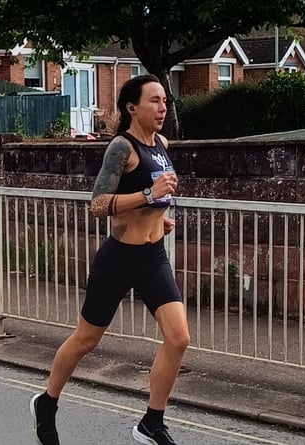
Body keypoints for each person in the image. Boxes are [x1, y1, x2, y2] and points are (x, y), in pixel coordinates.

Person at [29, 75, 189, 445]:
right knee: (86, 340)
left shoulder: (162, 144)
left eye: (164, 100)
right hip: (118, 258)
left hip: (152, 257)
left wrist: (158, 218)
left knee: (178, 338)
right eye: (154, 101)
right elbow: (99, 205)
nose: (162, 107)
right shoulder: (121, 147)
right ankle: (47, 403)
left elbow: (150, 200)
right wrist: (149, 195)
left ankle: (152, 422)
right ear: (132, 107)